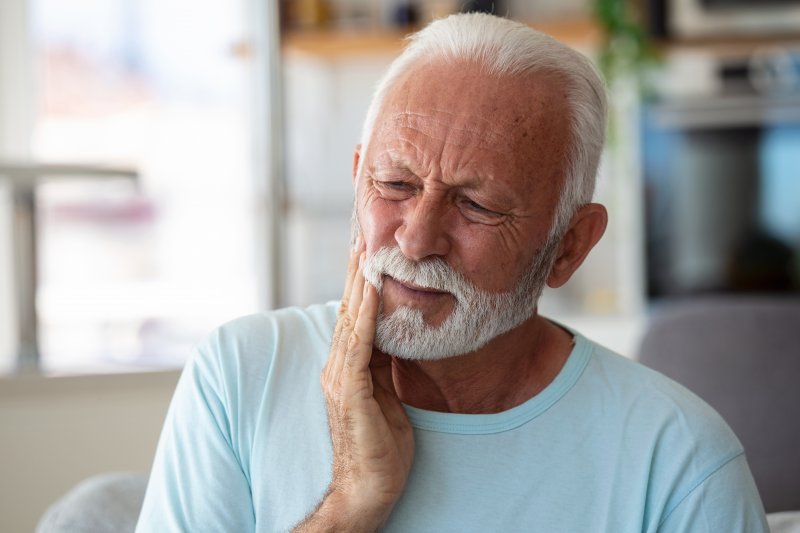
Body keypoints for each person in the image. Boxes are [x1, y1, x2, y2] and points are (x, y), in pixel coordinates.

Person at [136, 13, 768, 532]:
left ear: (568, 246)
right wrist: (351, 505)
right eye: (394, 183)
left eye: (477, 205)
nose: (414, 239)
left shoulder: (679, 460)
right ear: (358, 177)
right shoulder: (241, 375)